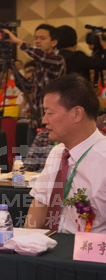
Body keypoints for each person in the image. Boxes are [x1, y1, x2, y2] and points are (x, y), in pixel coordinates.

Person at [26, 74, 106, 233]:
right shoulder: (57, 153)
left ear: (77, 114)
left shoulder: (102, 159)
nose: (44, 120)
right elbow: (40, 203)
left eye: (49, 113)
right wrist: (27, 241)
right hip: (50, 244)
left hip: (88, 247)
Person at [3, 24, 66, 144]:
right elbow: (27, 87)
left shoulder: (57, 60)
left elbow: (42, 56)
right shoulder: (39, 66)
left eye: (42, 38)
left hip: (50, 123)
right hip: (34, 121)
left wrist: (18, 41)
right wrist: (14, 71)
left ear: (54, 42)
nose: (37, 41)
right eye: (36, 38)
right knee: (31, 156)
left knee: (48, 155)